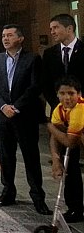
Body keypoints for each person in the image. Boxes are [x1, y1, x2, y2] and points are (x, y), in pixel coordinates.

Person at [0, 24, 51, 215]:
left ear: (20, 38)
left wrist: (16, 107)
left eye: (10, 35)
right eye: (3, 36)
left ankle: (38, 197)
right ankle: (8, 192)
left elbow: (35, 86)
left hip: (25, 116)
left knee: (31, 157)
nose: (5, 39)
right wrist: (3, 106)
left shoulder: (32, 59)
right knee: (6, 156)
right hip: (3, 116)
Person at [47, 76, 84, 223]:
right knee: (70, 168)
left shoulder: (80, 109)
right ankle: (75, 209)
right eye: (62, 93)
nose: (67, 98)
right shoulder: (59, 109)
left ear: (79, 94)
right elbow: (55, 137)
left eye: (71, 93)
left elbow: (70, 142)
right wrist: (56, 160)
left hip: (75, 139)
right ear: (57, 94)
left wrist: (49, 126)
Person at [43, 14, 84, 110]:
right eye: (51, 29)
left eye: (55, 28)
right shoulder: (49, 54)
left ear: (69, 29)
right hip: (58, 109)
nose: (52, 32)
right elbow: (46, 83)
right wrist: (58, 105)